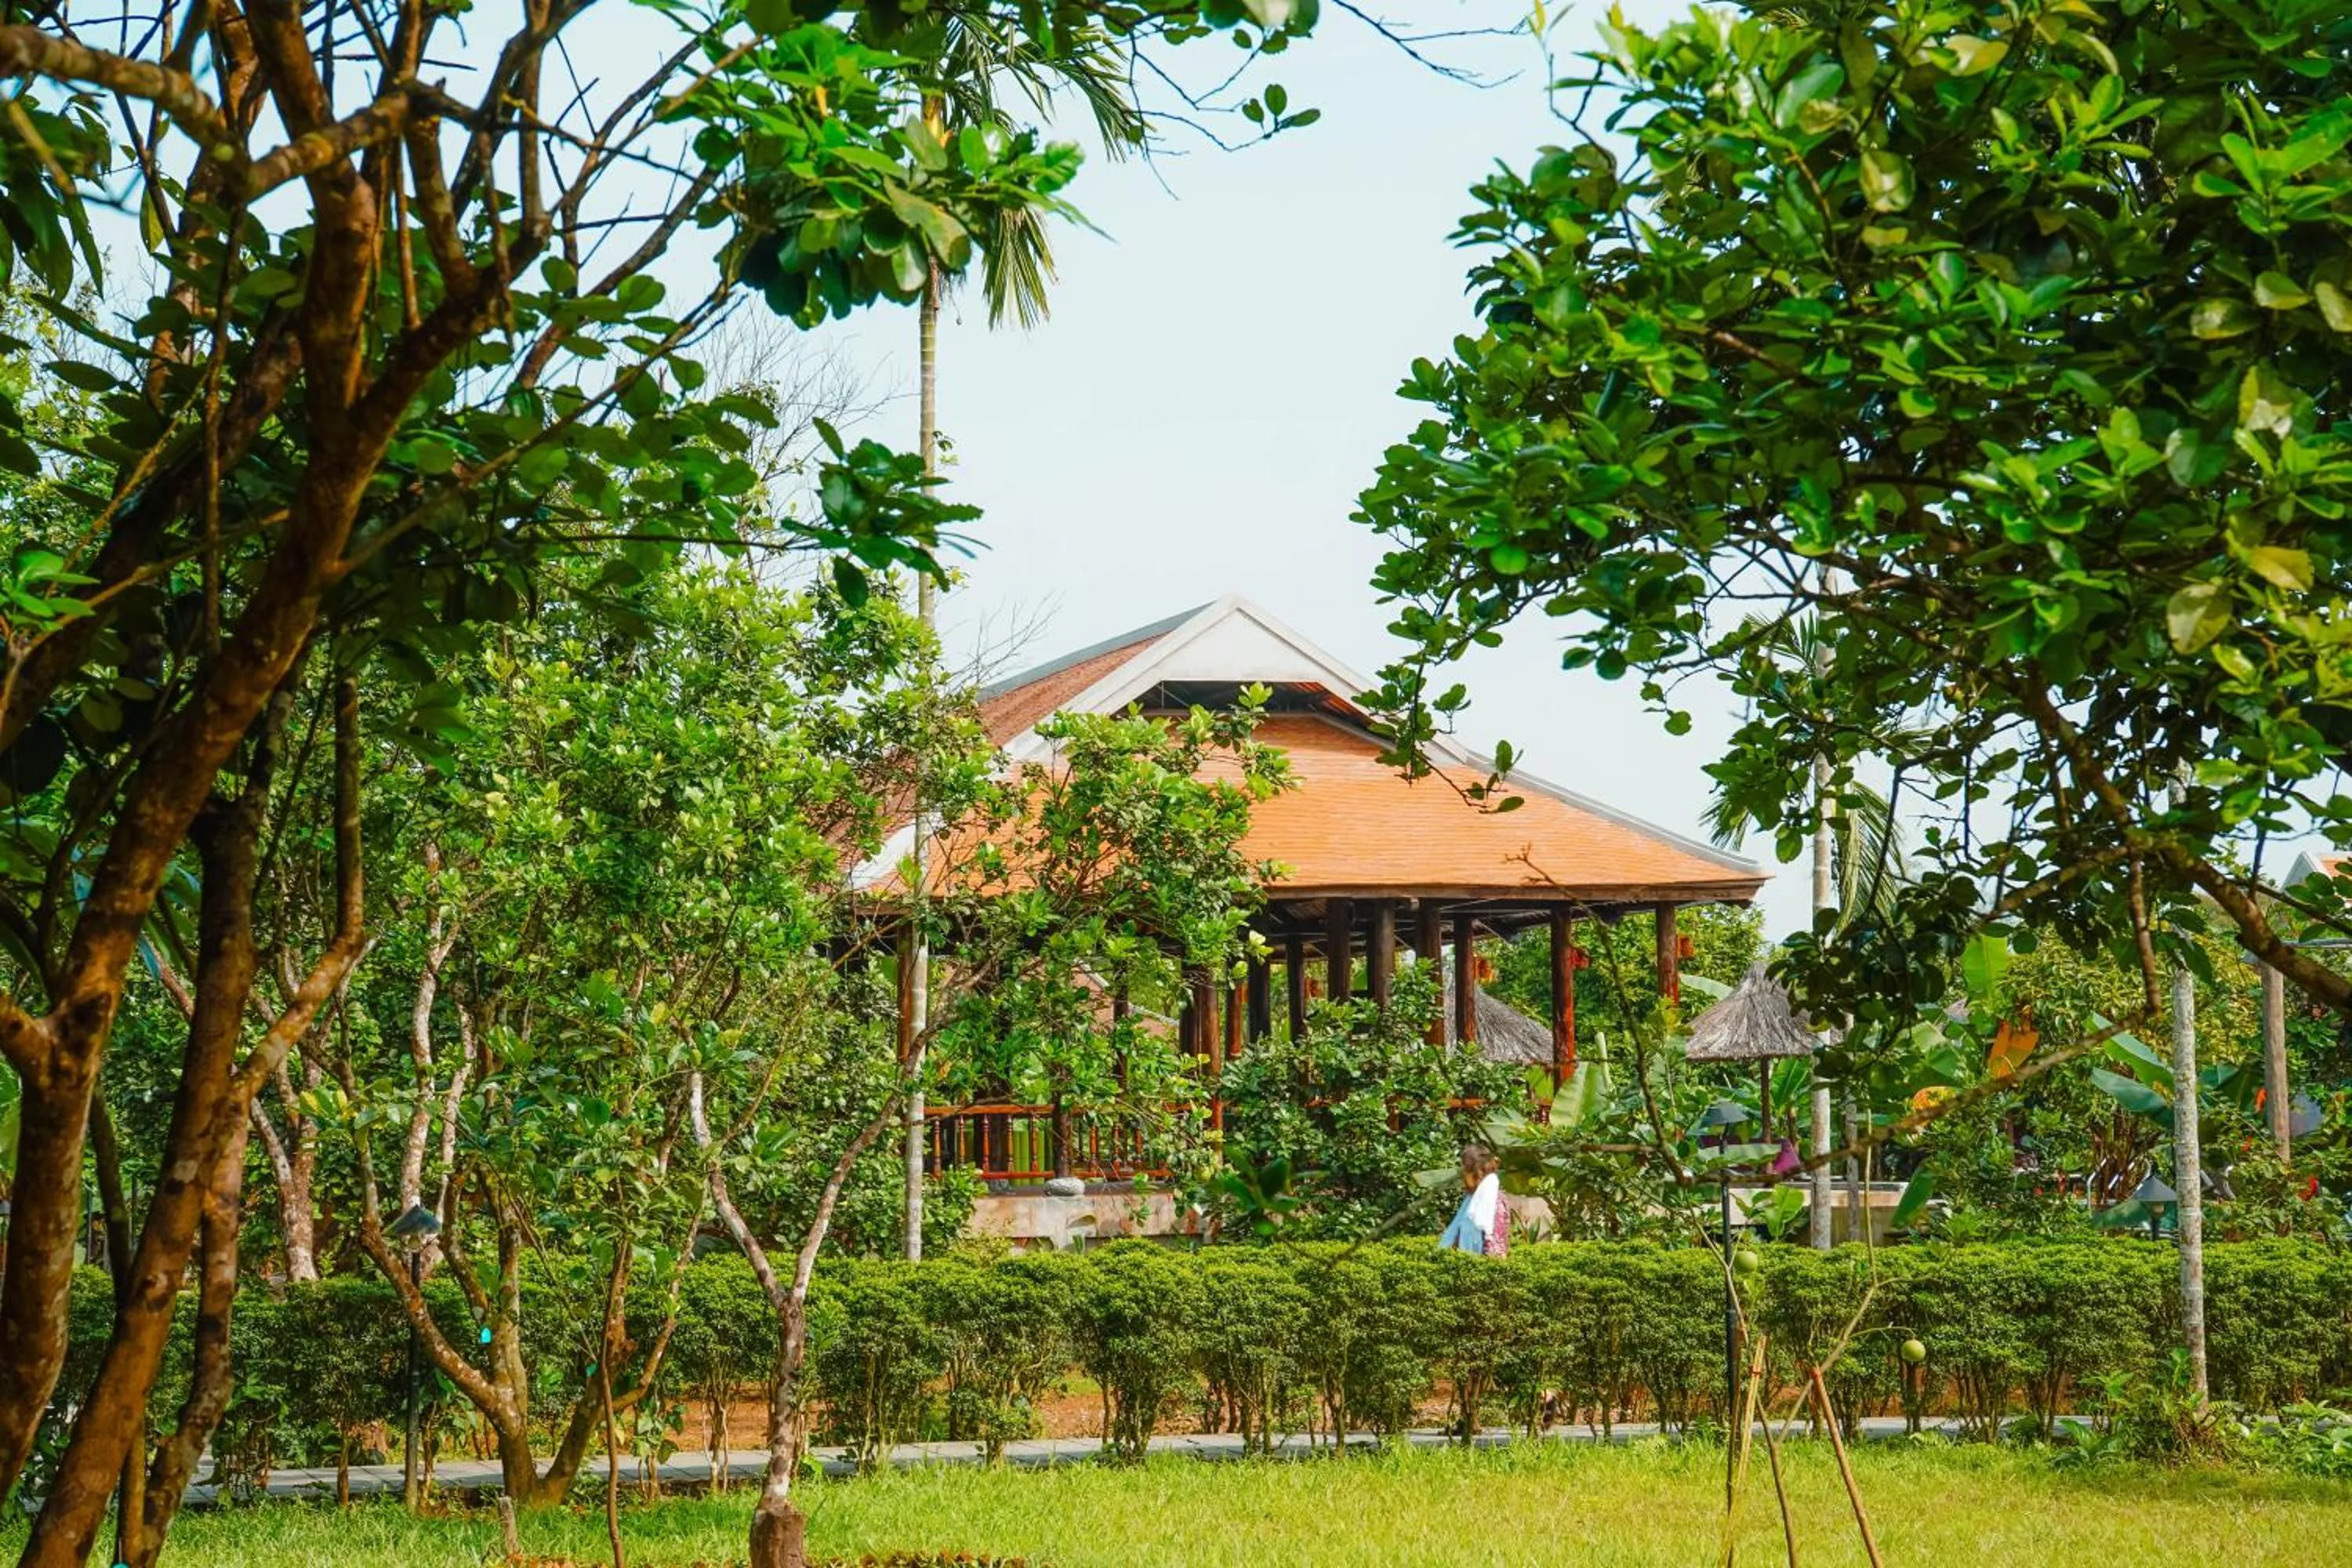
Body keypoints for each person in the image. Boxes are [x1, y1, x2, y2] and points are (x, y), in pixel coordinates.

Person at [1439, 1145, 1508, 1255]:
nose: (1462, 1175)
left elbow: (1492, 1247)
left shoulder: (1491, 1203)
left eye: (1464, 1170)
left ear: (1478, 1173)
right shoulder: (1475, 1198)